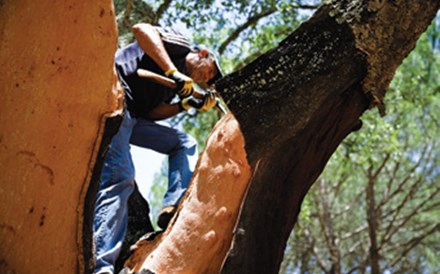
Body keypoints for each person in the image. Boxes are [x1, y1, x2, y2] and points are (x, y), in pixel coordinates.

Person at [93, 23, 223, 274]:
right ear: (204, 54)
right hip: (115, 96)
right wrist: (172, 71)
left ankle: (173, 205)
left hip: (134, 119)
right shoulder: (181, 46)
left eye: (211, 80)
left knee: (184, 142)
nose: (208, 79)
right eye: (211, 72)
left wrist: (186, 105)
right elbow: (141, 29)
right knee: (120, 178)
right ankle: (101, 267)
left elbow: (152, 114)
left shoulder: (176, 86)